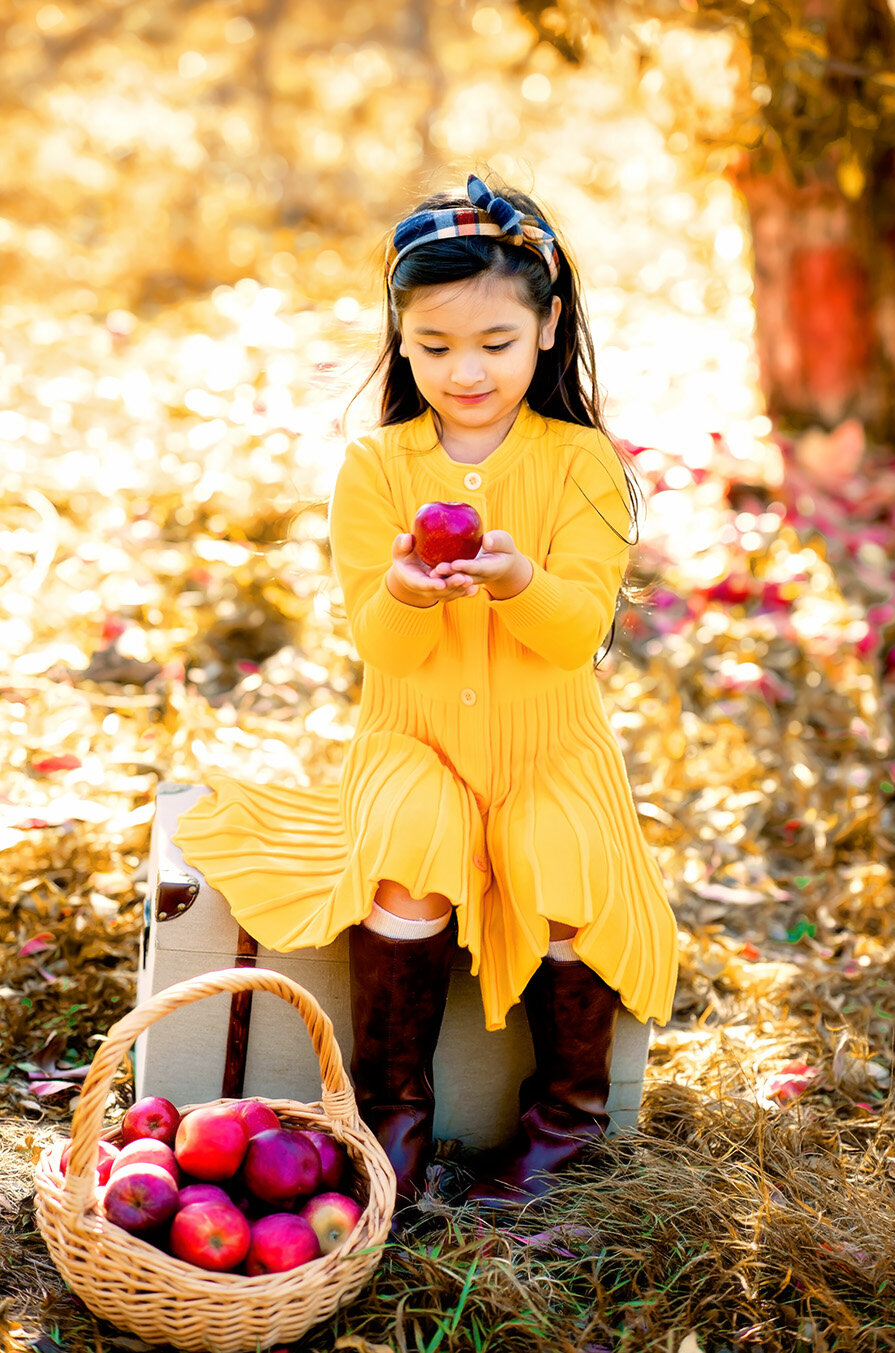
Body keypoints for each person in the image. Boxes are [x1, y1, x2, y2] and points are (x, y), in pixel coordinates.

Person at [171, 170, 679, 1217]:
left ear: (547, 329)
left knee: (562, 860)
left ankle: (567, 1123)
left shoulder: (585, 465)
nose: (467, 370)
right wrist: (404, 590)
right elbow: (382, 647)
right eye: (436, 345)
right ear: (401, 342)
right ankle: (389, 1114)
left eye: (496, 343)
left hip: (551, 748)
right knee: (409, 849)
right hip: (413, 739)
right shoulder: (375, 466)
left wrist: (517, 580)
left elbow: (579, 630)